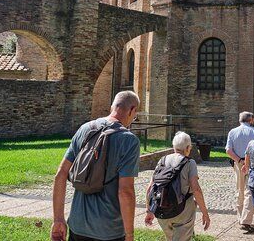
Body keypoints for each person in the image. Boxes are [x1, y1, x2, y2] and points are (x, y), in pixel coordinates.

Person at [51, 91, 141, 241]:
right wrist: (130, 234)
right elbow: (125, 191)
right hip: (109, 230)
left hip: (78, 226)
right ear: (132, 110)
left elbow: (60, 175)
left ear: (113, 106)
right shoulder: (129, 141)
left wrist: (58, 220)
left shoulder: (85, 129)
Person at [144, 131, 211, 240]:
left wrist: (149, 211)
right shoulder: (190, 163)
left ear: (174, 146)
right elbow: (196, 189)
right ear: (188, 147)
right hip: (183, 212)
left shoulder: (162, 160)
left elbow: (150, 188)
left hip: (162, 210)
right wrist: (205, 213)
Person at [226, 111, 254, 233]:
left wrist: (239, 160)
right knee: (250, 191)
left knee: (239, 190)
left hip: (238, 163)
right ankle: (246, 220)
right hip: (252, 164)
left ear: (240, 120)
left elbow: (228, 150)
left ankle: (240, 218)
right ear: (251, 120)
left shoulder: (232, 132)